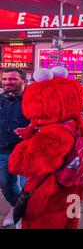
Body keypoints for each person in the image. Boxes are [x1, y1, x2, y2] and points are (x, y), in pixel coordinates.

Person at [8, 67, 83, 229]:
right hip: (73, 184)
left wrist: (27, 143)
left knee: (46, 222)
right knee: (69, 219)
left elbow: (23, 164)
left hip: (51, 190)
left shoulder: (53, 134)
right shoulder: (74, 122)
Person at [0, 68, 29, 227]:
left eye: (12, 79)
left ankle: (25, 215)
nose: (7, 82)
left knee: (28, 187)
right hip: (2, 151)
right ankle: (15, 207)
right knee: (5, 184)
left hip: (26, 151)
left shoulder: (32, 100)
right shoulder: (0, 99)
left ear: (23, 81)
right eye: (4, 79)